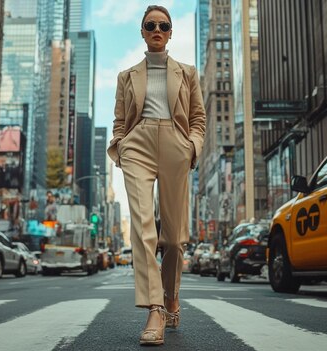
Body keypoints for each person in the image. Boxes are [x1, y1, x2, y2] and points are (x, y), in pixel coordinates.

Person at [106, 5, 205, 346]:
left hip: (176, 143)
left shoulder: (188, 73)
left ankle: (172, 293)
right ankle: (155, 308)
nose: (157, 29)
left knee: (174, 238)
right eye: (151, 25)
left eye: (164, 25)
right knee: (143, 227)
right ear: (143, 32)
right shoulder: (126, 76)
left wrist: (192, 146)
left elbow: (198, 118)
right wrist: (121, 143)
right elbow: (120, 119)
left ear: (171, 31)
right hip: (138, 143)